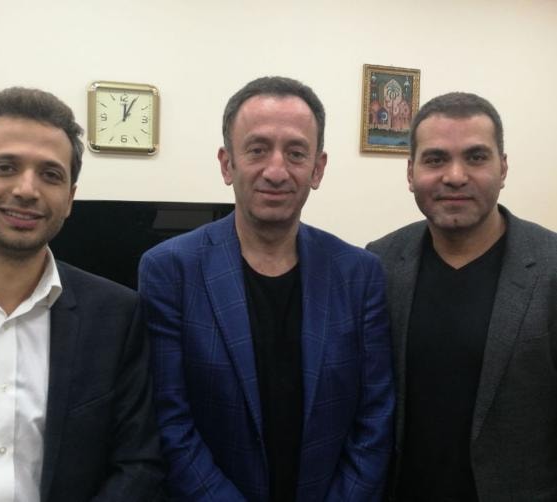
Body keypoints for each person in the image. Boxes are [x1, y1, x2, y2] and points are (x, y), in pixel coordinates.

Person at [0, 87, 164, 501]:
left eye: (51, 175)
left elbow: (138, 463)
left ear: (69, 199)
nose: (27, 189)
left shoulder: (116, 315)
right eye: (5, 167)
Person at [139, 76, 394, 501]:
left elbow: (375, 419)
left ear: (317, 168)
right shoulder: (170, 271)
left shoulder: (360, 274)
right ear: (227, 164)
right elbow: (169, 422)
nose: (276, 171)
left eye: (296, 153)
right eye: (257, 150)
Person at [367, 92, 557, 501]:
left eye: (476, 157)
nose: (455, 176)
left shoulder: (550, 268)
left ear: (503, 168)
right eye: (435, 159)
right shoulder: (379, 263)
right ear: (411, 172)